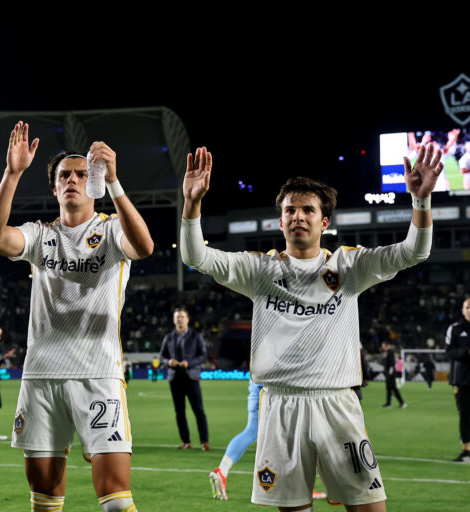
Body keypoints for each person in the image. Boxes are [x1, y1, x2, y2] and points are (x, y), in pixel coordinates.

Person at [180, 143, 442, 511]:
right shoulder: (259, 270)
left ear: (324, 222)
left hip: (336, 403)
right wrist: (192, 204)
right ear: (280, 220)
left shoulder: (350, 266)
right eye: (290, 209)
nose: (298, 216)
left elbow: (414, 251)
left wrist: (421, 202)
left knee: (370, 507)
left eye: (307, 209)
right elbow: (195, 256)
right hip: (281, 406)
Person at [0, 121, 153, 512]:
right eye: (64, 176)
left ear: (92, 183)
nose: (72, 180)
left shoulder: (110, 230)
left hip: (97, 374)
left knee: (115, 500)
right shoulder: (40, 234)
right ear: (55, 188)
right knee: (44, 500)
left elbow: (143, 246)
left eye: (80, 174)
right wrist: (12, 173)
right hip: (41, 376)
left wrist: (115, 183)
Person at [209, 380, 327, 502]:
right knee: (294, 436)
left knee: (252, 431)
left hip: (258, 385)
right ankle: (299, 487)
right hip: (276, 389)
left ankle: (222, 471)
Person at [159, 307, 209, 450]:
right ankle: (186, 441)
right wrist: (168, 362)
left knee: (198, 410)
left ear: (187, 319)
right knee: (179, 412)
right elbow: (162, 356)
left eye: (182, 316)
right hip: (174, 378)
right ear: (174, 320)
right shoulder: (168, 337)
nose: (179, 319)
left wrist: (189, 363)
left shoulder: (196, 336)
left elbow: (203, 355)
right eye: (177, 317)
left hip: (191, 376)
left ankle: (204, 441)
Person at [445, 298, 470, 463]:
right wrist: (466, 352)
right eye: (467, 307)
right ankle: (466, 451)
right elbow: (448, 351)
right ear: (462, 310)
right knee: (465, 415)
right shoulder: (454, 328)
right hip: (461, 380)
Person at [381, 341, 406, 408]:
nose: (382, 347)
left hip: (391, 374)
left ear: (386, 345)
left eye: (383, 346)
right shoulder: (388, 352)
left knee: (394, 388)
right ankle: (388, 403)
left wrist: (390, 373)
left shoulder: (390, 352)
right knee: (389, 388)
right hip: (389, 374)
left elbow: (392, 363)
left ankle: (402, 403)